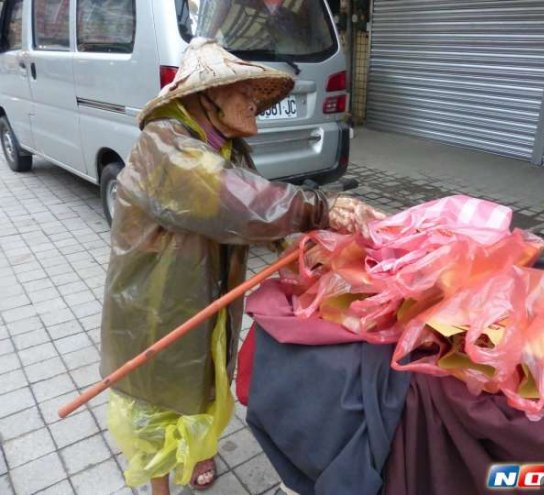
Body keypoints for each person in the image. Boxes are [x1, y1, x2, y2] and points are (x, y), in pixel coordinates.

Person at [99, 37, 383, 495]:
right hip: (157, 304)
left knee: (206, 381)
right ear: (208, 97)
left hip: (208, 293)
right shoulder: (164, 144)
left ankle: (201, 452)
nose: (255, 102)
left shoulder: (228, 147)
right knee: (156, 401)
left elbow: (253, 212)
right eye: (244, 91)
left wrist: (302, 248)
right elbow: (232, 199)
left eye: (255, 92)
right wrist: (320, 208)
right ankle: (159, 488)